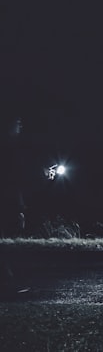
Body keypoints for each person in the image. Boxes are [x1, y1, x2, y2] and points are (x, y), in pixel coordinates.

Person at [1, 116, 30, 296]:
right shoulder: (9, 148)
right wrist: (19, 207)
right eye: (17, 122)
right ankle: (7, 281)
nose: (20, 126)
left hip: (9, 200)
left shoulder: (10, 147)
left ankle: (7, 278)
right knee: (5, 240)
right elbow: (13, 180)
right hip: (7, 201)